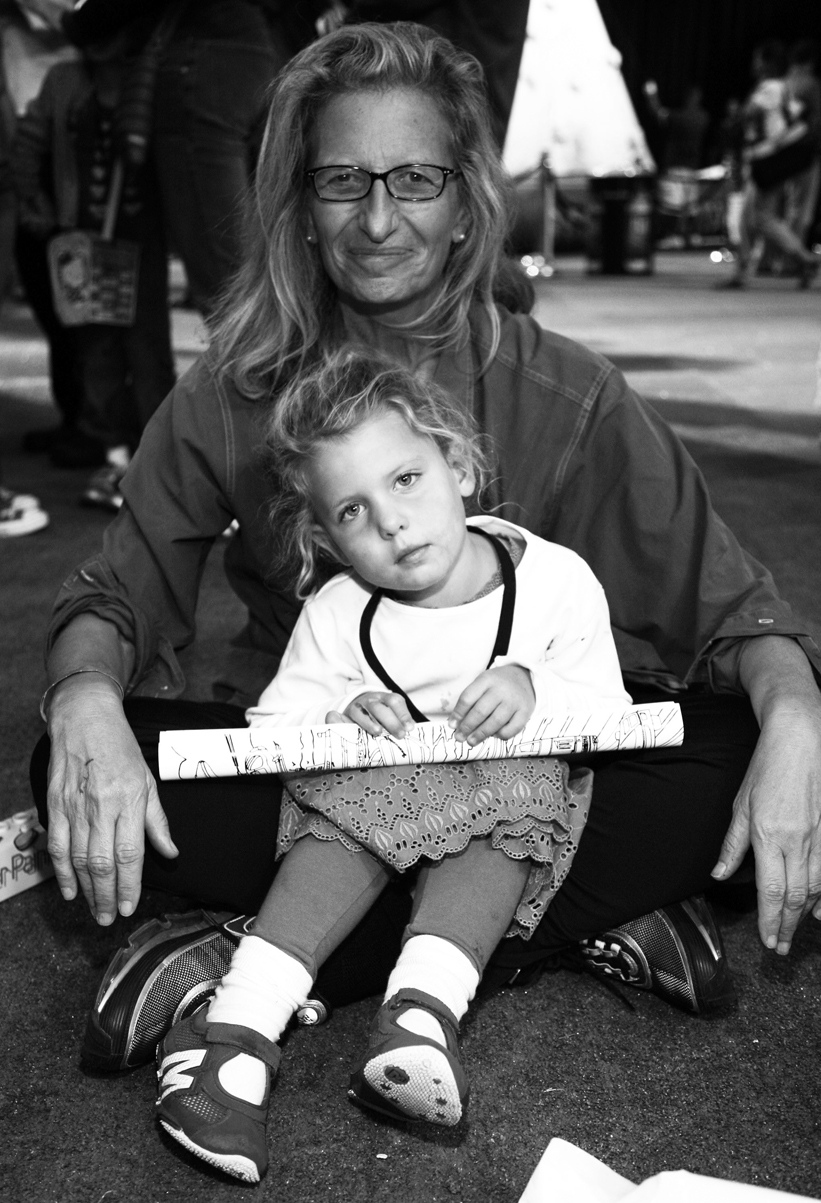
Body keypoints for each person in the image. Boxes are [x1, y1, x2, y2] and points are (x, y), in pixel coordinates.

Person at [30, 18, 821, 1136]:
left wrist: (794, 722)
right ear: (301, 203)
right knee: (83, 762)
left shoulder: (564, 391)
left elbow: (733, 610)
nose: (378, 216)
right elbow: (112, 597)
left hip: (526, 773)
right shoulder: (237, 389)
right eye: (343, 180)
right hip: (326, 772)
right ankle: (576, 919)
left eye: (414, 178)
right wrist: (83, 706)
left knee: (747, 751)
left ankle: (257, 957)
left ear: (465, 205)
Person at [155, 348, 632, 1180]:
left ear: (459, 461)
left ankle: (419, 1014)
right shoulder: (340, 613)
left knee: (523, 780)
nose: (390, 524)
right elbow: (274, 727)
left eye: (406, 480)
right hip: (366, 826)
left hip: (502, 823)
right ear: (324, 537)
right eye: (351, 510)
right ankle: (230, 1037)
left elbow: (611, 712)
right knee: (344, 794)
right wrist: (339, 715)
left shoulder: (555, 582)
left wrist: (534, 685)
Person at [11, 26, 176, 509]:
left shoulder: (148, 79)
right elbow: (27, 147)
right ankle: (117, 457)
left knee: (147, 352)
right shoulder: (64, 80)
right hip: (79, 244)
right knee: (97, 351)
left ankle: (156, 462)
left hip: (139, 242)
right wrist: (36, 204)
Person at [724, 40, 821, 289]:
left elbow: (747, 115)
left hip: (766, 159)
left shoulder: (769, 88)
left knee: (758, 217)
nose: (754, 64)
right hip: (778, 159)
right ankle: (795, 260)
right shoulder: (785, 87)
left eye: (758, 59)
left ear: (766, 63)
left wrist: (738, 115)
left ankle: (803, 258)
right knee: (755, 216)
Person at [784, 39, 821, 251]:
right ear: (810, 61)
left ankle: (767, 259)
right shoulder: (810, 83)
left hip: (781, 151)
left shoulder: (784, 81)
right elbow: (816, 121)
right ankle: (790, 259)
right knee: (800, 209)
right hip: (805, 152)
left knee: (780, 208)